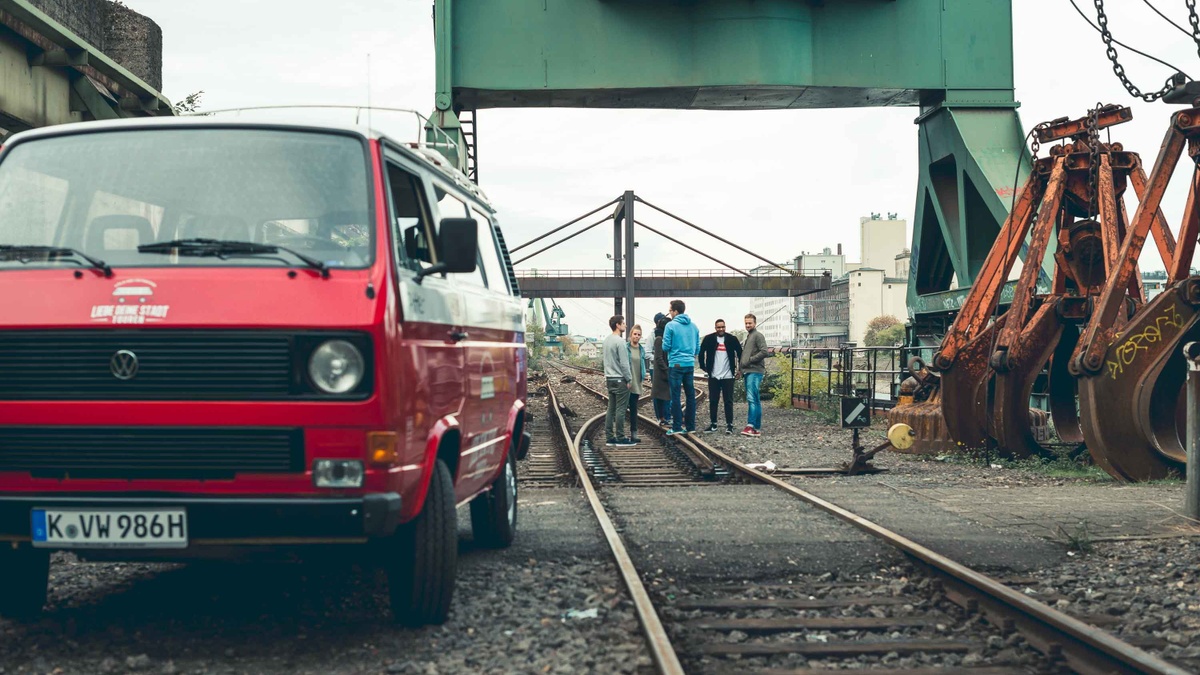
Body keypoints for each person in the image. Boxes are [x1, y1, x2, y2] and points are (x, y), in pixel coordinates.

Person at [661, 299, 700, 435]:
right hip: (689, 364)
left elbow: (665, 347)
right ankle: (690, 426)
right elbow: (697, 349)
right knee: (690, 395)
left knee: (676, 396)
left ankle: (677, 426)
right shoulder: (694, 326)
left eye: (670, 310)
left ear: (675, 311)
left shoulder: (670, 326)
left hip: (676, 365)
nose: (670, 313)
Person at [699, 318, 742, 434]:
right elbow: (701, 352)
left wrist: (739, 369)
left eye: (723, 327)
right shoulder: (708, 339)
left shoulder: (732, 339)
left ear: (725, 327)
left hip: (728, 375)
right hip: (714, 376)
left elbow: (740, 353)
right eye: (719, 327)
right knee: (713, 400)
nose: (721, 329)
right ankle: (713, 424)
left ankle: (729, 425)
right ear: (715, 328)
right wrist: (704, 367)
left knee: (728, 401)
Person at [603, 315, 636, 446]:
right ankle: (621, 437)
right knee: (621, 409)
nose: (625, 326)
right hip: (620, 379)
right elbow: (624, 363)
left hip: (610, 378)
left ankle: (610, 437)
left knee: (611, 409)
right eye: (623, 323)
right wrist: (629, 378)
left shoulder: (606, 341)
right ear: (617, 325)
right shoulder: (620, 342)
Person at [739, 312, 769, 437]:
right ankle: (756, 428)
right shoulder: (749, 337)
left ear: (755, 323)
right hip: (748, 371)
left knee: (752, 399)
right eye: (746, 323)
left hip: (755, 371)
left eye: (750, 323)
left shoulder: (758, 336)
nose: (747, 325)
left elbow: (764, 351)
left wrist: (750, 360)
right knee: (755, 399)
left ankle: (751, 425)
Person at [626, 324, 649, 443]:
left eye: (639, 335)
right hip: (627, 383)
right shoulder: (626, 348)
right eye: (635, 334)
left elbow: (643, 365)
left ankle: (633, 434)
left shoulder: (641, 349)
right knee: (622, 408)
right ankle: (619, 434)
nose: (637, 336)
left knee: (634, 409)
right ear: (631, 335)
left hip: (637, 382)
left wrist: (644, 375)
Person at [651, 313, 672, 428]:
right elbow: (658, 358)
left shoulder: (663, 338)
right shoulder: (659, 339)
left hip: (663, 371)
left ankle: (664, 418)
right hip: (660, 373)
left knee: (664, 396)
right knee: (660, 396)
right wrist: (666, 369)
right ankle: (662, 418)